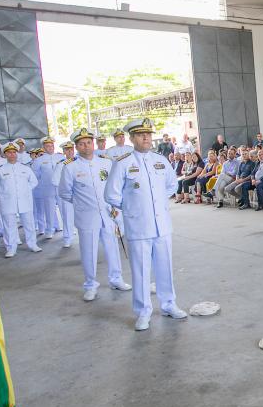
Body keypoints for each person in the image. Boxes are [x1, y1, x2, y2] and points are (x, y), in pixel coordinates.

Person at [104, 118, 186, 331]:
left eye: (148, 134)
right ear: (132, 138)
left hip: (162, 225)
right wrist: (133, 208)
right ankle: (143, 312)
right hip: (138, 226)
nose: (146, 138)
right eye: (141, 135)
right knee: (140, 271)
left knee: (164, 267)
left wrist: (158, 202)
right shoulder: (123, 162)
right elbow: (111, 194)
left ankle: (169, 304)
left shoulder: (160, 160)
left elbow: (171, 184)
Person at [58, 128, 130, 301]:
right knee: (89, 250)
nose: (86, 146)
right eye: (82, 144)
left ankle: (116, 279)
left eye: (89, 142)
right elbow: (65, 193)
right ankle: (90, 284)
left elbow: (114, 186)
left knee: (112, 246)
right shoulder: (70, 167)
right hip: (87, 216)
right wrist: (82, 204)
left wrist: (115, 207)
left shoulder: (105, 162)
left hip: (107, 213)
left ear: (93, 143)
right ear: (76, 147)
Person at [0, 143, 41, 258]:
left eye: (14, 152)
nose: (12, 155)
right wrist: (5, 192)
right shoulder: (0, 170)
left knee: (29, 223)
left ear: (16, 153)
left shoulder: (25, 168)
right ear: (5, 154)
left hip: (25, 200)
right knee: (9, 225)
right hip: (8, 202)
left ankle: (32, 244)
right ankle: (11, 248)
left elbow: (34, 182)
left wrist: (26, 190)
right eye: (9, 152)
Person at [52, 140, 77, 248]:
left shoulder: (79, 161)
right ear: (64, 152)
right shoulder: (61, 165)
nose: (70, 151)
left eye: (71, 149)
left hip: (80, 194)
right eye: (67, 150)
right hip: (67, 195)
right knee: (67, 216)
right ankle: (67, 238)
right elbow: (55, 180)